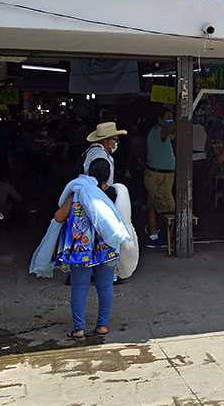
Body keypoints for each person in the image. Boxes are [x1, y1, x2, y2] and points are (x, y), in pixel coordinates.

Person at [52, 159, 128, 339]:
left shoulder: (78, 193)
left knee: (79, 287)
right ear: (107, 176)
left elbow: (58, 216)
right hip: (106, 248)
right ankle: (102, 326)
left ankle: (79, 329)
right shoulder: (111, 194)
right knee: (105, 286)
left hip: (80, 249)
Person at [144, 109, 177, 249]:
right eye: (167, 118)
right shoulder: (158, 132)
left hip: (160, 176)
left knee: (152, 206)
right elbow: (169, 130)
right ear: (160, 120)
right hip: (159, 178)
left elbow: (173, 135)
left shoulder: (162, 135)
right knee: (172, 209)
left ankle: (153, 235)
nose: (170, 121)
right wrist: (181, 118)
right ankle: (169, 239)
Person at [83, 122, 127, 187]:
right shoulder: (100, 156)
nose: (117, 143)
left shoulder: (95, 150)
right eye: (115, 140)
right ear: (106, 140)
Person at [191, 119, 214, 217]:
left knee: (190, 188)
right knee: (200, 189)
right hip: (201, 159)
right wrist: (213, 160)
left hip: (191, 158)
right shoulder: (202, 129)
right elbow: (208, 145)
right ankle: (199, 215)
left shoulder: (185, 128)